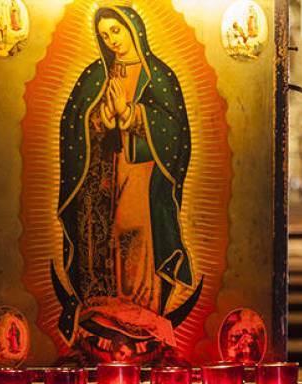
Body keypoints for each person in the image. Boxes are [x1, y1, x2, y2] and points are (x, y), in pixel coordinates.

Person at [53, 6, 193, 345]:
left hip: (142, 173)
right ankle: (109, 315)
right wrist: (101, 118)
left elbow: (175, 132)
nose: (111, 39)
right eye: (104, 35)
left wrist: (130, 115)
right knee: (107, 236)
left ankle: (141, 316)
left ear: (134, 29)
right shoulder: (94, 76)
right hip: (101, 176)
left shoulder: (158, 75)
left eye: (116, 30)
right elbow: (73, 124)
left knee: (135, 233)